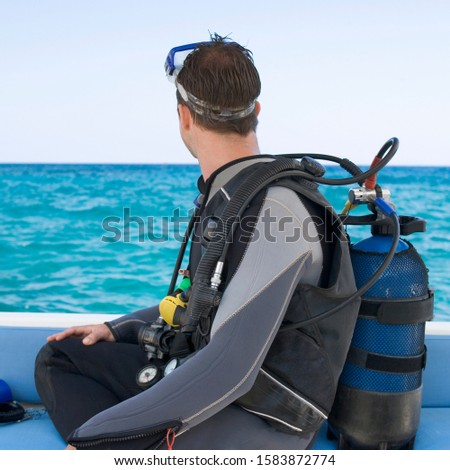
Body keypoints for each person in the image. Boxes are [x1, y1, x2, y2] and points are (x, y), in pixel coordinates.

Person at [35, 35, 360, 450]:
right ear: (256, 111)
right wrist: (117, 329)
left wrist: (95, 439)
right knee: (61, 357)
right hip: (207, 374)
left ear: (184, 117)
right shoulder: (233, 194)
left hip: (262, 418)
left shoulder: (278, 208)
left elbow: (230, 368)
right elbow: (206, 300)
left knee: (99, 436)